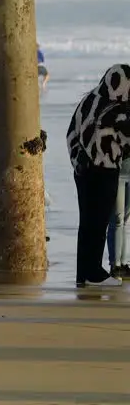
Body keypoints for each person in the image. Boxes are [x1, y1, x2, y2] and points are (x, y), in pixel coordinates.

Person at [66, 63, 130, 287]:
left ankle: (82, 274)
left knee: (86, 224)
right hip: (105, 171)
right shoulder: (120, 110)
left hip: (82, 171)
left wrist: (77, 160)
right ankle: (94, 274)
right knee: (99, 223)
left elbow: (70, 134)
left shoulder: (88, 100)